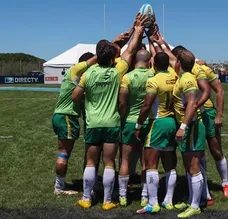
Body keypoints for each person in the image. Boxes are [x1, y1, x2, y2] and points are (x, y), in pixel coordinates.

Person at [72, 13, 146, 211]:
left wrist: (88, 96)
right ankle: (107, 201)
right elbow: (130, 51)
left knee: (90, 161)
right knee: (110, 162)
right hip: (112, 123)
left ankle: (87, 198)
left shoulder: (88, 73)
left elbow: (74, 96)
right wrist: (137, 31)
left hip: (93, 123)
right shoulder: (117, 71)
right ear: (113, 56)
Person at [171, 46, 228, 200]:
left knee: (215, 149)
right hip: (193, 115)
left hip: (207, 114)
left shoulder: (201, 69)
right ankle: (204, 191)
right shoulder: (179, 71)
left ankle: (225, 183)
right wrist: (157, 40)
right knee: (198, 154)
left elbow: (218, 90)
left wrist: (218, 115)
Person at [155, 36, 206, 218]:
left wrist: (183, 126)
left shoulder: (187, 80)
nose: (172, 61)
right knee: (189, 165)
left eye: (175, 60)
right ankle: (193, 199)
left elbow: (192, 103)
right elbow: (170, 55)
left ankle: (195, 205)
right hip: (188, 126)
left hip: (191, 126)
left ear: (179, 63)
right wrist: (157, 40)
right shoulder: (183, 75)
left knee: (193, 167)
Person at [135, 52, 178, 214]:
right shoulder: (174, 76)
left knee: (151, 165)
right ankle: (168, 200)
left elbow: (147, 105)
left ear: (154, 64)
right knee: (170, 165)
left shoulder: (153, 81)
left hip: (157, 123)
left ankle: (153, 203)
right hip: (172, 122)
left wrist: (138, 125)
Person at [52, 52, 97, 195]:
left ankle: (60, 185)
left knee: (64, 152)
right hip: (67, 117)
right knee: (64, 153)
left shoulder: (77, 78)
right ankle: (59, 187)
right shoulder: (75, 71)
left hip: (61, 116)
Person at [118, 50, 154, 207]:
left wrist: (123, 117)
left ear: (134, 61)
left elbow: (122, 103)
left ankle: (122, 196)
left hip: (130, 121)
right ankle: (145, 196)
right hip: (148, 122)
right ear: (149, 61)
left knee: (125, 160)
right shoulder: (153, 75)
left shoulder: (127, 77)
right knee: (145, 162)